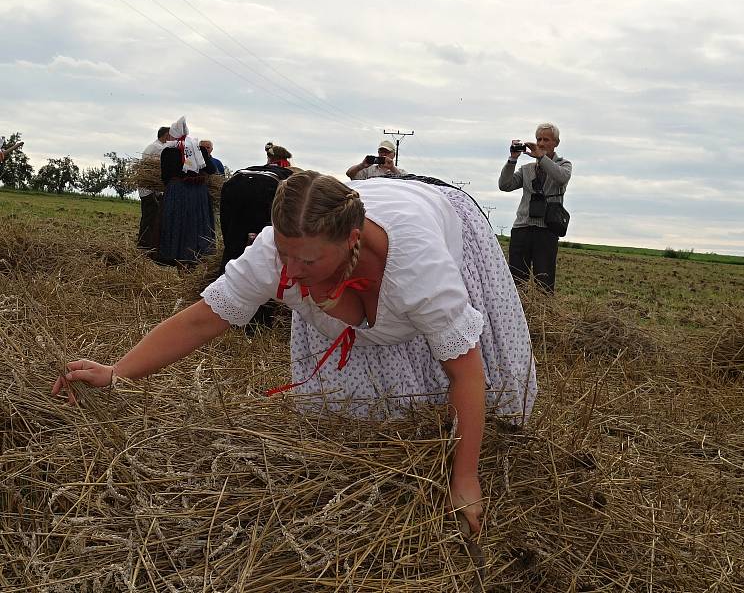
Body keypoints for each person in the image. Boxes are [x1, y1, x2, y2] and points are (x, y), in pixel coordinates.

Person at [52, 172, 537, 535]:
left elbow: (466, 373)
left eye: (307, 260)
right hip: (364, 237)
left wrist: (465, 479)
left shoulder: (420, 269)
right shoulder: (279, 253)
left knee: (454, 381)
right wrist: (118, 372)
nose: (291, 270)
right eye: (285, 253)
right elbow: (203, 319)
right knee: (356, 429)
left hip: (436, 213)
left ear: (351, 240)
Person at [217, 145, 294, 328]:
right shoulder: (289, 175)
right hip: (266, 198)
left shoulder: (249, 171)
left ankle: (224, 308)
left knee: (234, 248)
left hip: (234, 190)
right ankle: (259, 318)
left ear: (269, 158)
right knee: (262, 252)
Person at [499, 122, 572, 292]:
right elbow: (505, 185)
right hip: (522, 227)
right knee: (517, 279)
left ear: (556, 143)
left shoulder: (564, 164)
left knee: (544, 282)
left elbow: (560, 178)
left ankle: (544, 315)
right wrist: (512, 159)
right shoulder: (527, 169)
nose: (540, 143)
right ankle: (517, 314)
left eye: (546, 139)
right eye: (538, 139)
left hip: (547, 230)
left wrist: (541, 158)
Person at [157, 116, 218, 267]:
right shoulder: (200, 149)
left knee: (178, 222)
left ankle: (175, 254)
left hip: (177, 192)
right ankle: (196, 255)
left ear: (174, 134)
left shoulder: (168, 151)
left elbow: (165, 177)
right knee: (197, 223)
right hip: (198, 193)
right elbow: (211, 169)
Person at [138, 126, 169, 252]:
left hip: (149, 190)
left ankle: (146, 243)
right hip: (150, 190)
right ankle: (145, 244)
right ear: (166, 135)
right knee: (150, 218)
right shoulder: (158, 148)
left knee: (150, 217)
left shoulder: (154, 146)